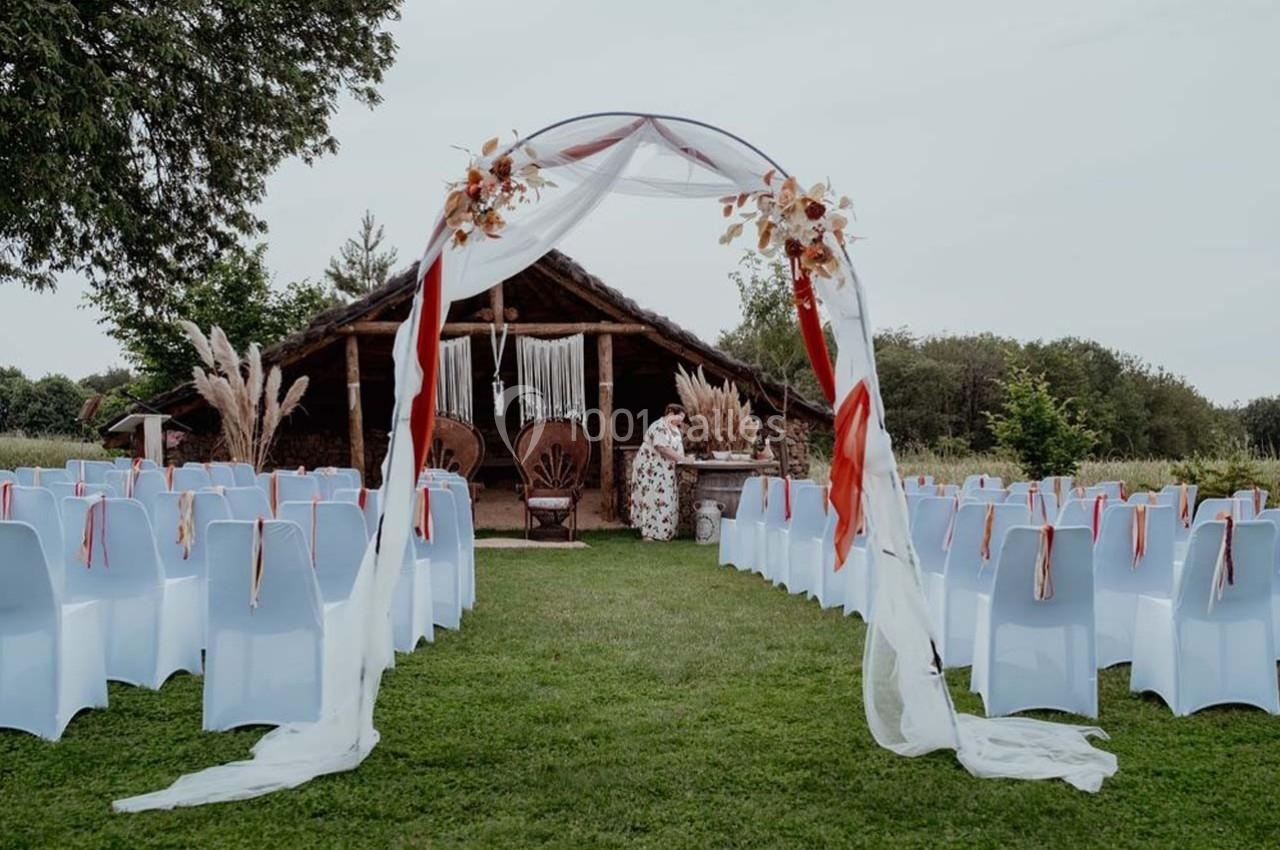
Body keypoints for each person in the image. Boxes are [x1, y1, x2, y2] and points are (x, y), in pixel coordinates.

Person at [630, 403, 687, 541]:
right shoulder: (659, 426)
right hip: (651, 468)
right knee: (651, 497)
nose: (681, 421)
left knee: (666, 497)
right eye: (680, 418)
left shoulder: (674, 429)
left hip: (665, 469)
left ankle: (665, 531)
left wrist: (682, 459)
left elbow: (675, 448)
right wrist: (681, 458)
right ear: (671, 413)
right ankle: (649, 533)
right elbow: (661, 447)